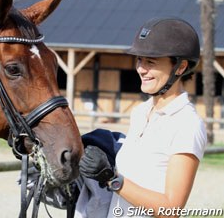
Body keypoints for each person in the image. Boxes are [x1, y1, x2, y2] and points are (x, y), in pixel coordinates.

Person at [79, 17, 207, 217]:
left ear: (180, 67)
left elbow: (171, 209)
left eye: (151, 62)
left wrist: (112, 179)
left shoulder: (187, 124)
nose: (140, 68)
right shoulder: (140, 112)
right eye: (139, 59)